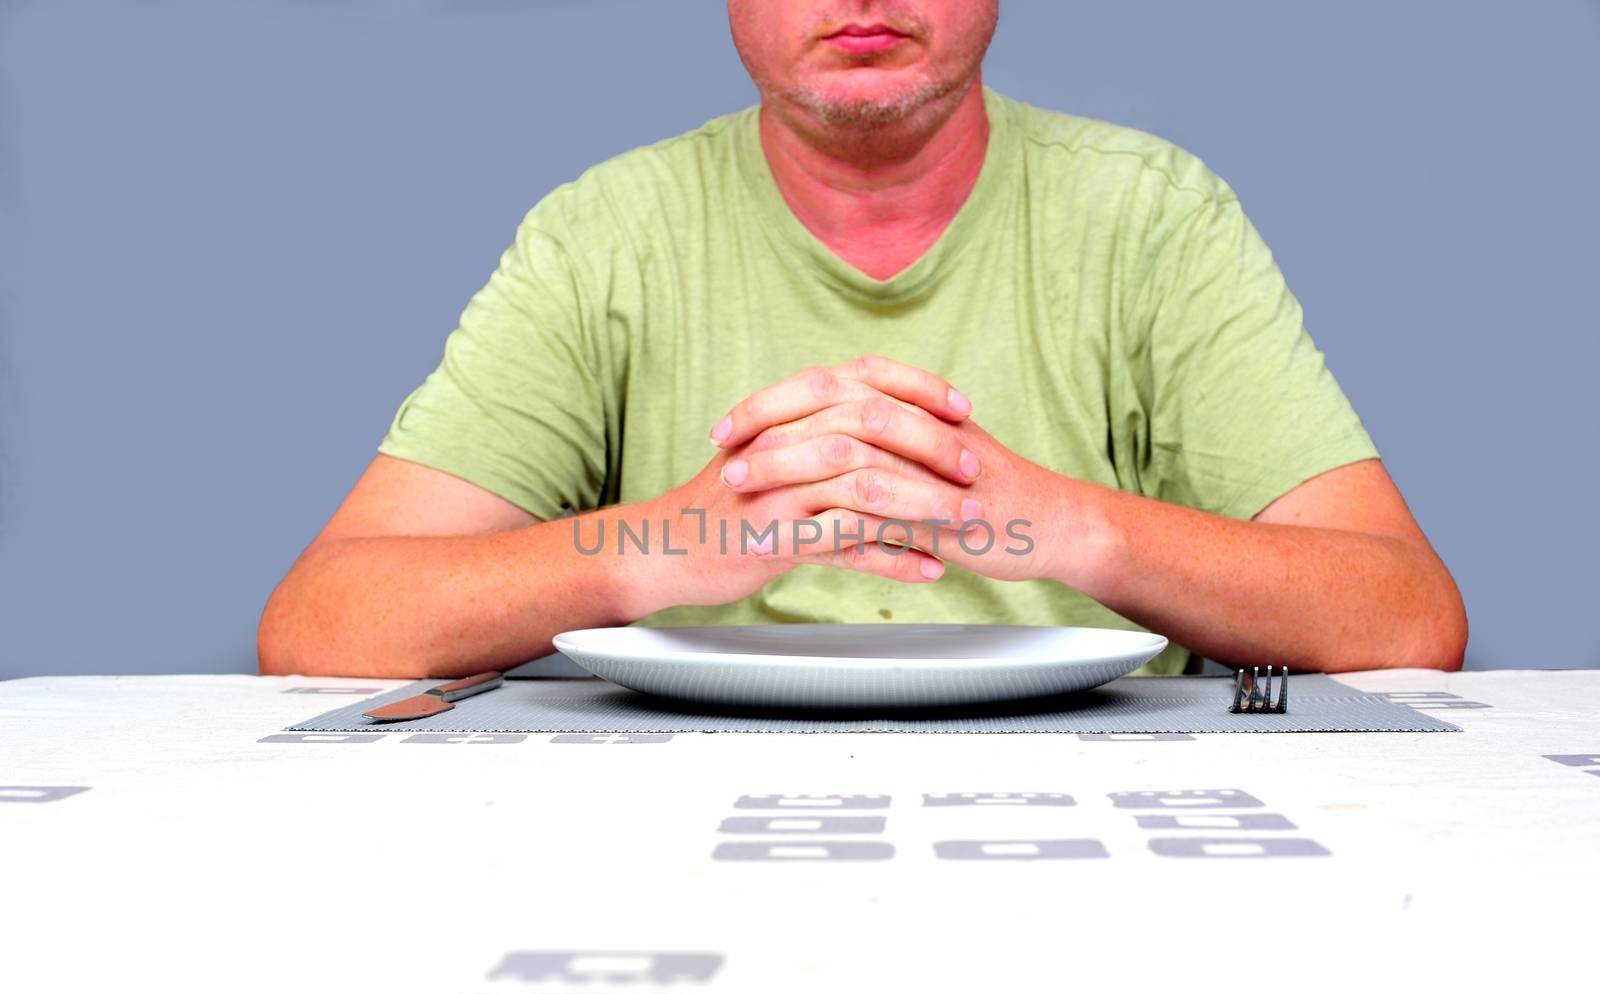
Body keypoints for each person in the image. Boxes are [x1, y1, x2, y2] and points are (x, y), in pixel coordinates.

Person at [257, 0, 1467, 679]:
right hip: (666, 825)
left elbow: (1404, 617)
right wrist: (654, 548)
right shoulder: (605, 232)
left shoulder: (1151, 214)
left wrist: (1073, 525)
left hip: (1103, 814)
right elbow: (324, 624)